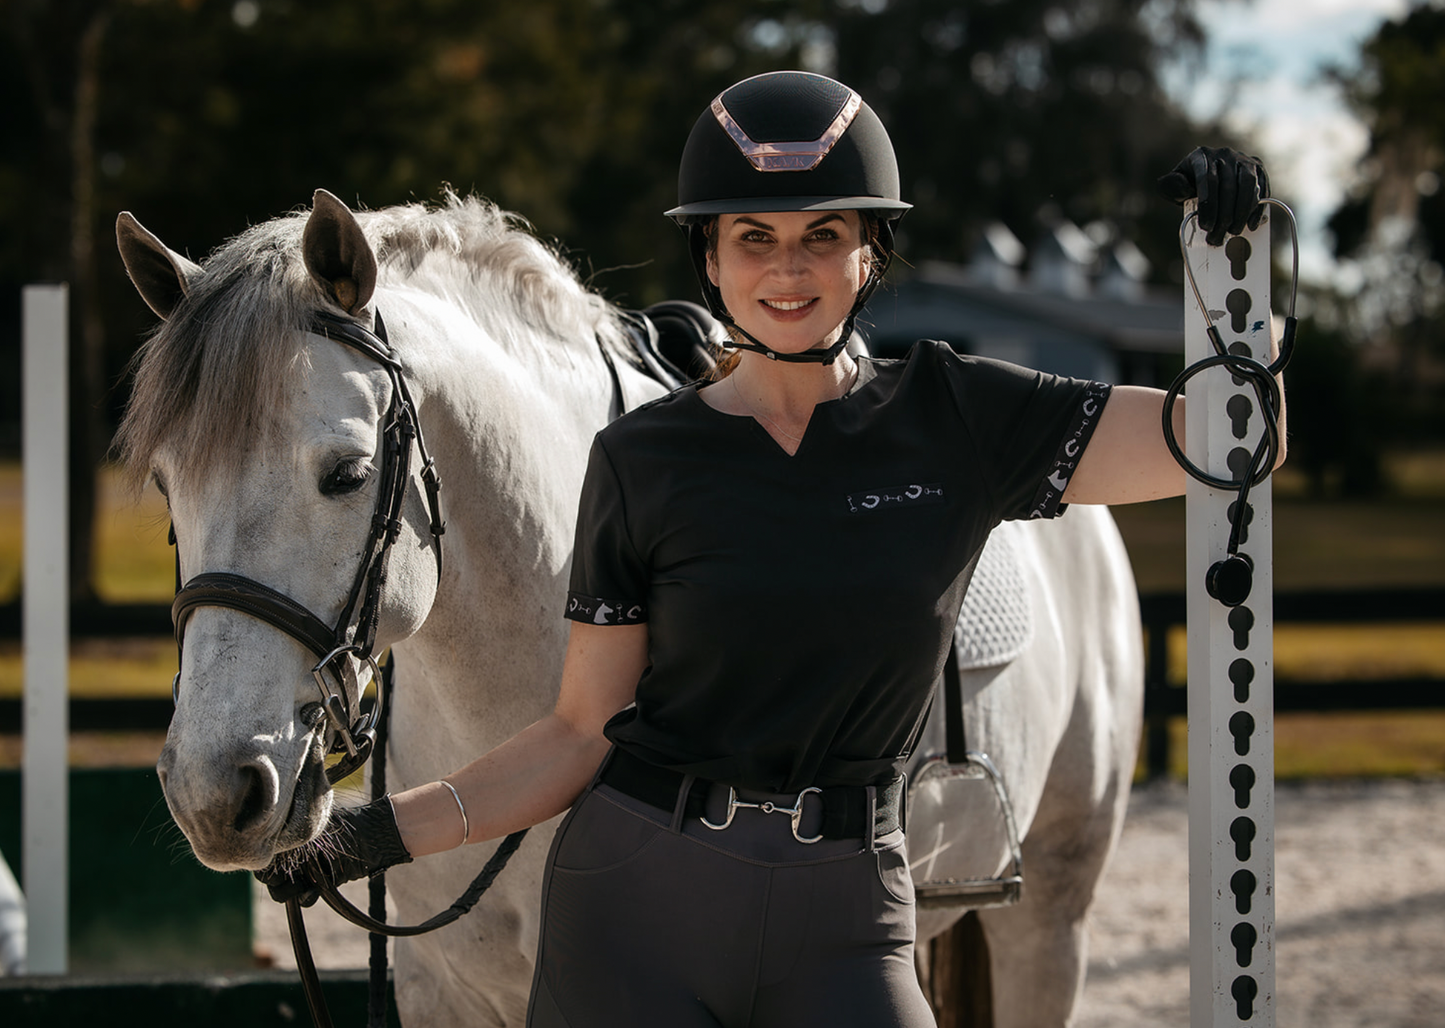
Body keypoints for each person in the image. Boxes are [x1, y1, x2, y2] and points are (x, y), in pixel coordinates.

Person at [261, 70, 1278, 1026]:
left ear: (868, 251)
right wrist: (365, 835)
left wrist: (1230, 285)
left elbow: (1228, 440)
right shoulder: (639, 458)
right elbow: (578, 732)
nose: (786, 268)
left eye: (820, 234)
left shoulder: (959, 414)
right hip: (632, 908)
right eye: (752, 236)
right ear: (708, 255)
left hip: (849, 913)